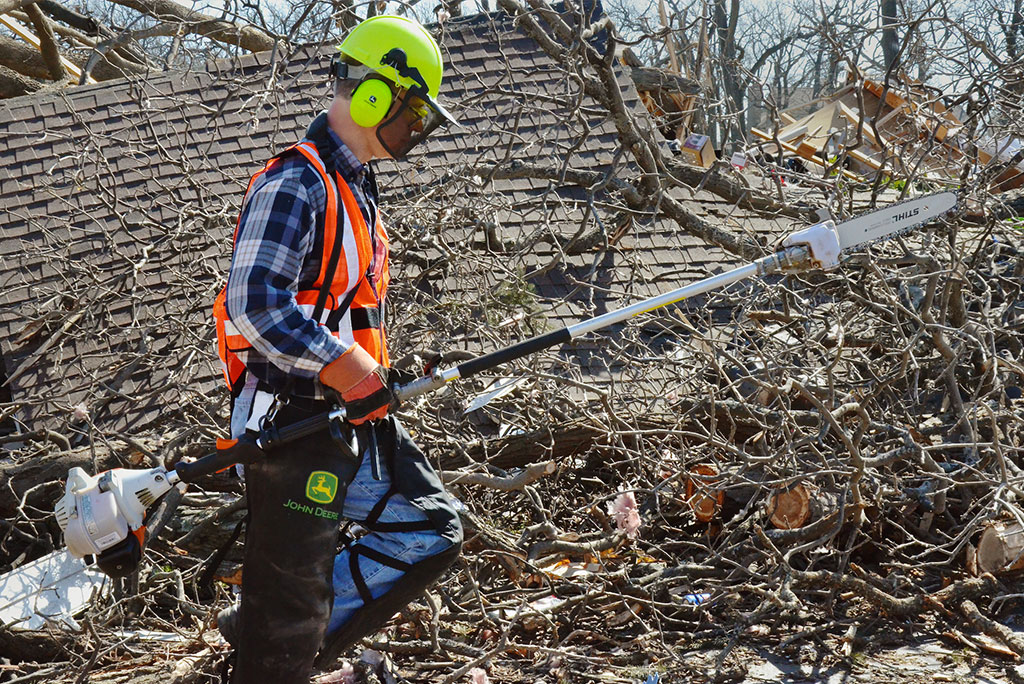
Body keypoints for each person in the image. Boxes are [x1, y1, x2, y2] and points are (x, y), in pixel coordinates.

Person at [211, 15, 463, 683]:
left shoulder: (355, 187)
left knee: (431, 529)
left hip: (347, 412)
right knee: (285, 619)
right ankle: (273, 642)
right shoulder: (297, 183)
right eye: (414, 113)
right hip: (290, 420)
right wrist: (345, 366)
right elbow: (256, 303)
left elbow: (341, 306)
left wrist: (367, 371)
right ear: (376, 94)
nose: (417, 130)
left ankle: (267, 628)